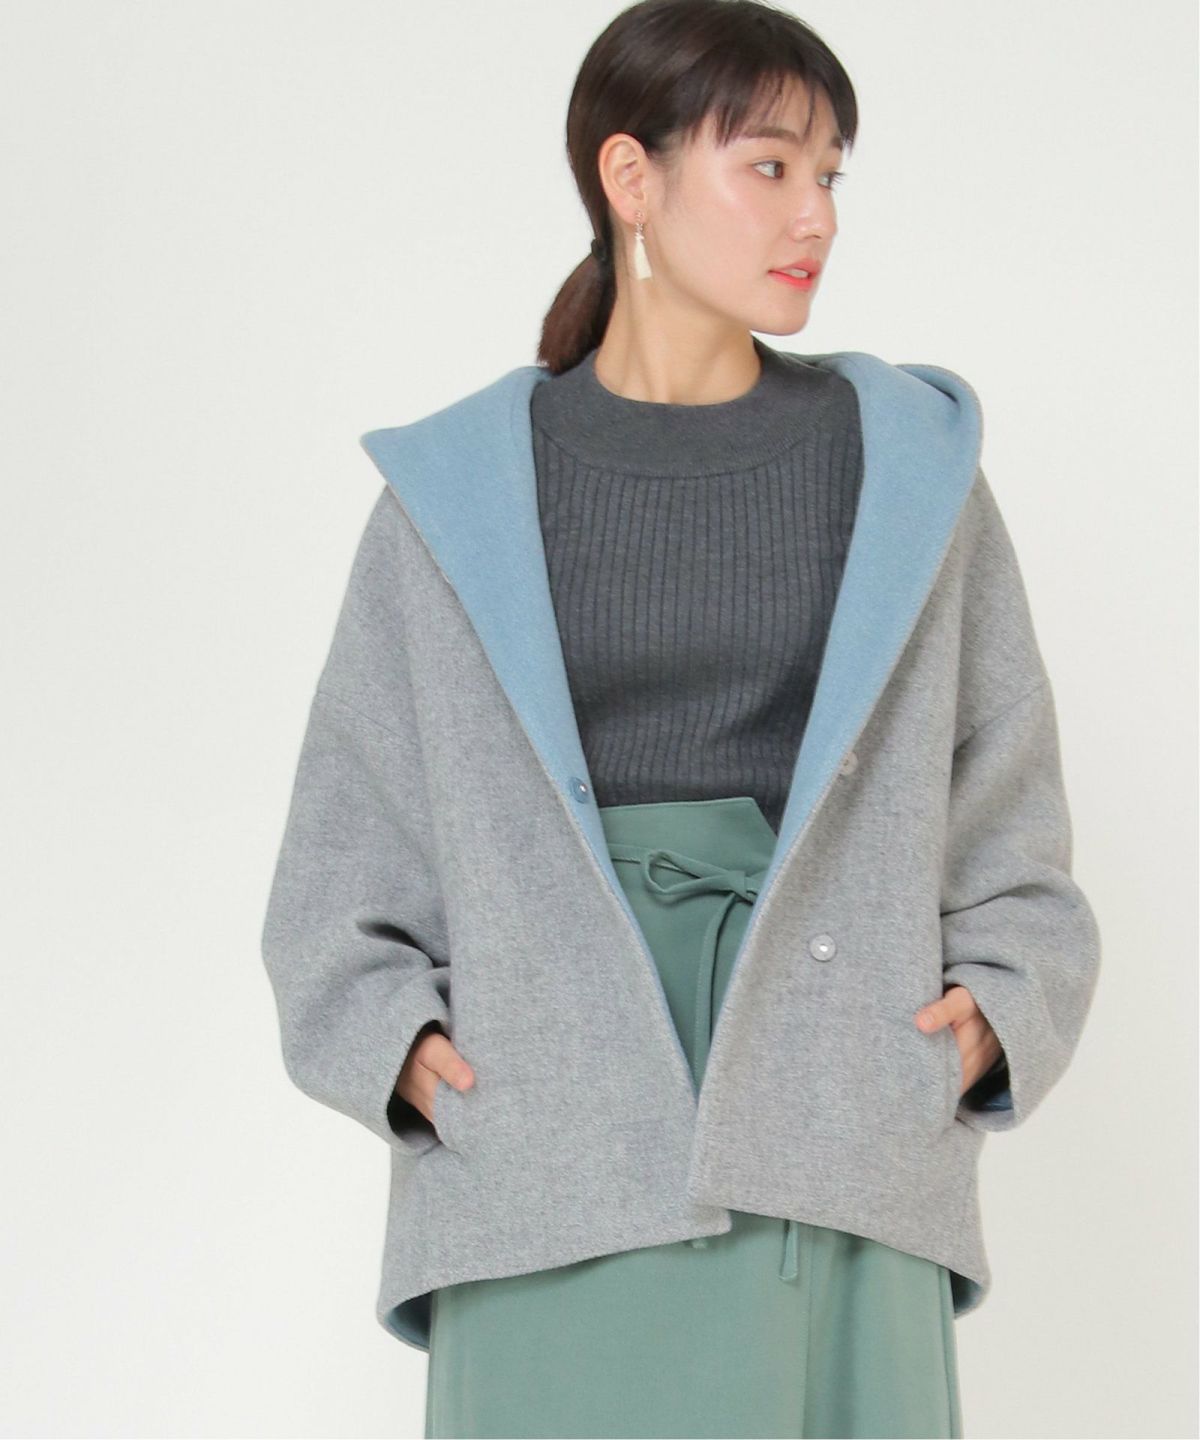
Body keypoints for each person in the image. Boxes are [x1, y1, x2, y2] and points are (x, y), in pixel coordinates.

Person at [260, 2, 1101, 1436]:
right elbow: (348, 842)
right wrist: (398, 1048)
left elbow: (1006, 795)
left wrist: (996, 1012)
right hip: (544, 1136)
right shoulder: (453, 499)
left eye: (829, 174)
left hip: (837, 1113)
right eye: (768, 166)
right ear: (629, 177)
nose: (814, 214)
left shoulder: (911, 474)